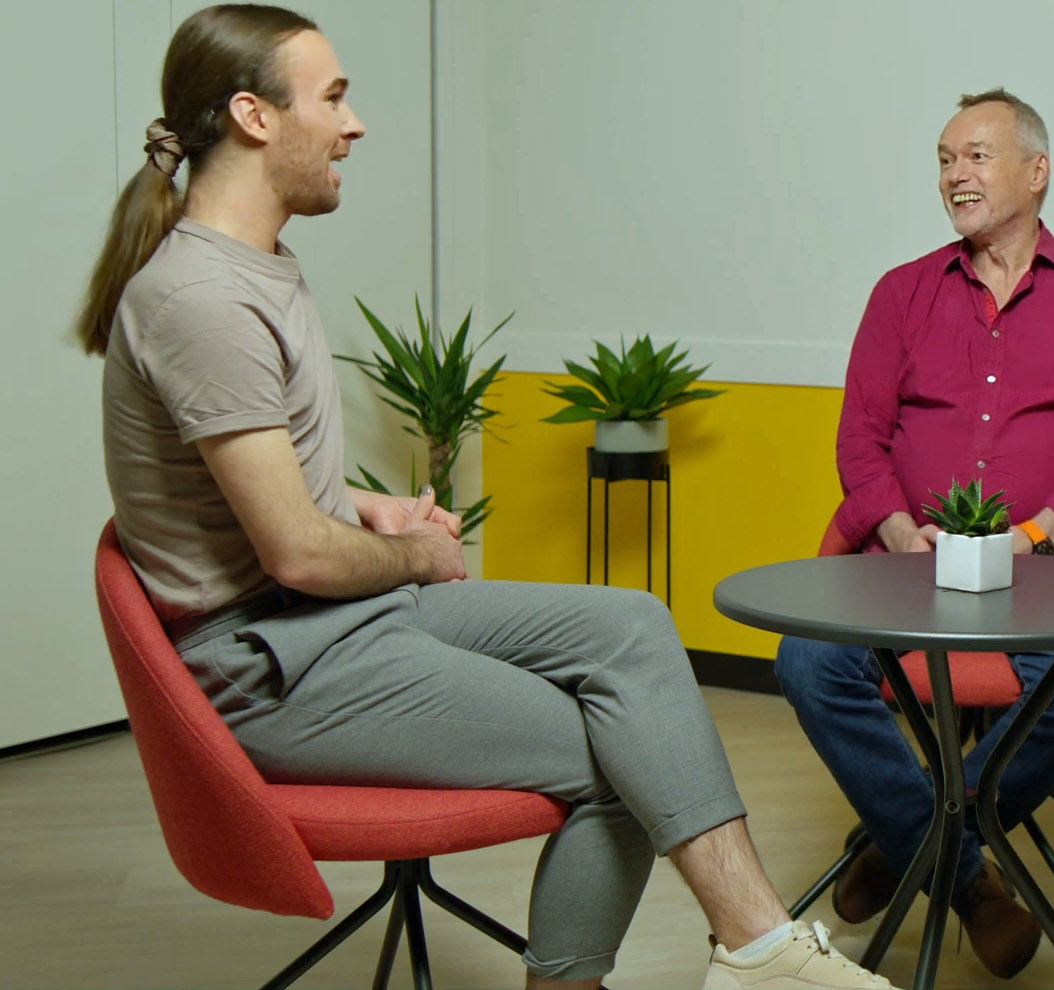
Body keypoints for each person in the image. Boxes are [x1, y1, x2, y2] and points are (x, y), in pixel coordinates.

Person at [79, 7, 894, 989]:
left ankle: (754, 947)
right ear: (254, 116)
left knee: (634, 627)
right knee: (616, 754)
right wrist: (417, 550)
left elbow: (263, 490)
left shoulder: (256, 265)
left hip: (321, 625)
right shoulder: (202, 298)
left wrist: (364, 507)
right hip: (272, 663)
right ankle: (720, 960)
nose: (355, 123)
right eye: (333, 97)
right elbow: (293, 554)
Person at [772, 88, 1054, 979]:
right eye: (946, 159)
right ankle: (971, 880)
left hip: (1049, 570)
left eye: (976, 155)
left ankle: (901, 839)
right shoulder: (900, 293)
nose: (955, 175)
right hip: (907, 563)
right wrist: (904, 534)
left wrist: (1028, 538)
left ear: (1036, 171)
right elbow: (859, 441)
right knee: (805, 663)